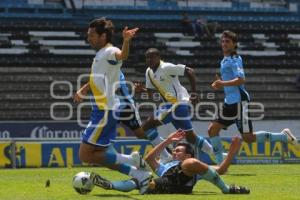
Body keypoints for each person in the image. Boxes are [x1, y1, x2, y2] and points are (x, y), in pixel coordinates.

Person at [73, 17, 151, 194]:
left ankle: (131, 160)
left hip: (104, 112)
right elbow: (97, 78)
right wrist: (84, 89)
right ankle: (138, 175)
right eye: (88, 35)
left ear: (103, 36)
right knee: (99, 155)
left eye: (92, 35)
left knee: (85, 155)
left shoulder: (110, 52)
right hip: (102, 110)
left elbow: (122, 55)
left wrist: (126, 41)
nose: (89, 38)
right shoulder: (100, 54)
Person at [209, 30, 299, 164]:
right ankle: (220, 164)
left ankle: (283, 136)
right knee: (213, 130)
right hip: (230, 103)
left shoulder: (235, 59)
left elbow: (241, 79)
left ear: (234, 44)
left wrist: (222, 83)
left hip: (239, 102)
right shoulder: (224, 60)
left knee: (248, 138)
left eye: (228, 41)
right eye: (223, 41)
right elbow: (231, 81)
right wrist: (221, 84)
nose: (224, 43)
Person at [90, 130, 250, 195]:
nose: (174, 152)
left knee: (190, 164)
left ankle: (227, 189)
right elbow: (149, 159)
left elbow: (221, 169)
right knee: (142, 180)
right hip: (167, 183)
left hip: (185, 178)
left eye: (178, 150)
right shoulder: (165, 166)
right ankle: (111, 185)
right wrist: (167, 141)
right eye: (174, 150)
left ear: (187, 153)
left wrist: (231, 153)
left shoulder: (192, 164)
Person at [134, 48, 221, 163]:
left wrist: (194, 93)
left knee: (145, 127)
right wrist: (142, 90)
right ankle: (215, 154)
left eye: (152, 57)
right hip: (171, 106)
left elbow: (189, 71)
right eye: (147, 57)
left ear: (159, 57)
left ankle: (165, 156)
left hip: (177, 104)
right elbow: (151, 93)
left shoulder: (166, 67)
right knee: (190, 137)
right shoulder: (149, 72)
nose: (149, 59)